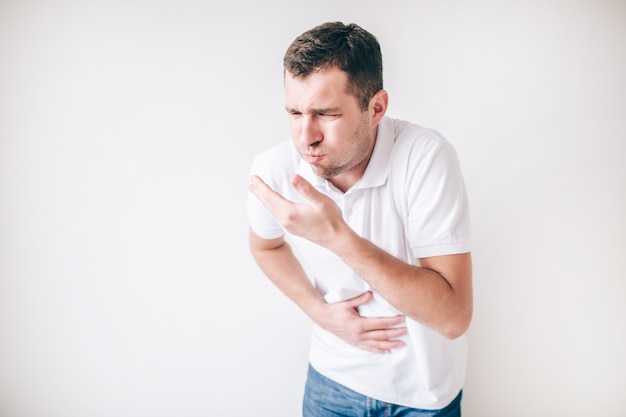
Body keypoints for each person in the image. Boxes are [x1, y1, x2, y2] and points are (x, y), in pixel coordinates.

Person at [247, 21, 472, 417]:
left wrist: (339, 238)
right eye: (295, 112)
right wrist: (320, 314)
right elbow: (265, 245)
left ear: (377, 107)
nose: (306, 137)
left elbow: (453, 319)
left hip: (423, 397)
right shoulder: (274, 168)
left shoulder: (424, 158)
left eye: (325, 113)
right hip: (331, 382)